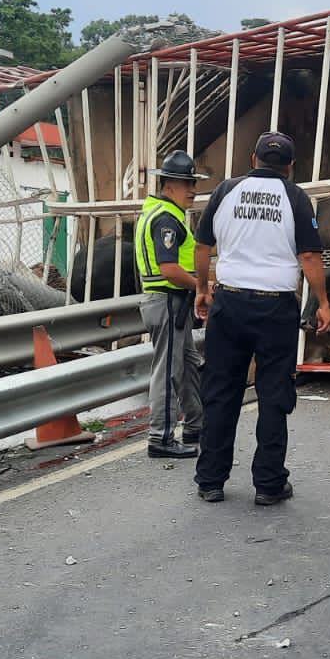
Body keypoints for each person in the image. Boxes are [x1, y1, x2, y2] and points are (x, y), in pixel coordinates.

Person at [192, 131, 330, 505]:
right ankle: (269, 484)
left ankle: (210, 480)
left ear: (253, 159)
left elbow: (203, 245)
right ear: (289, 167)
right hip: (276, 307)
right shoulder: (295, 197)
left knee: (221, 390)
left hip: (230, 302)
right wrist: (322, 302)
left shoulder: (225, 191)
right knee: (273, 392)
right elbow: (309, 258)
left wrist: (202, 289)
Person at [135, 150, 207, 459]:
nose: (193, 189)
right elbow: (170, 270)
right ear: (168, 185)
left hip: (169, 302)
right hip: (167, 301)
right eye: (186, 183)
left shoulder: (159, 212)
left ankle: (195, 425)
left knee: (188, 364)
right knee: (168, 370)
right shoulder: (166, 219)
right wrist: (202, 286)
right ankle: (160, 437)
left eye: (193, 182)